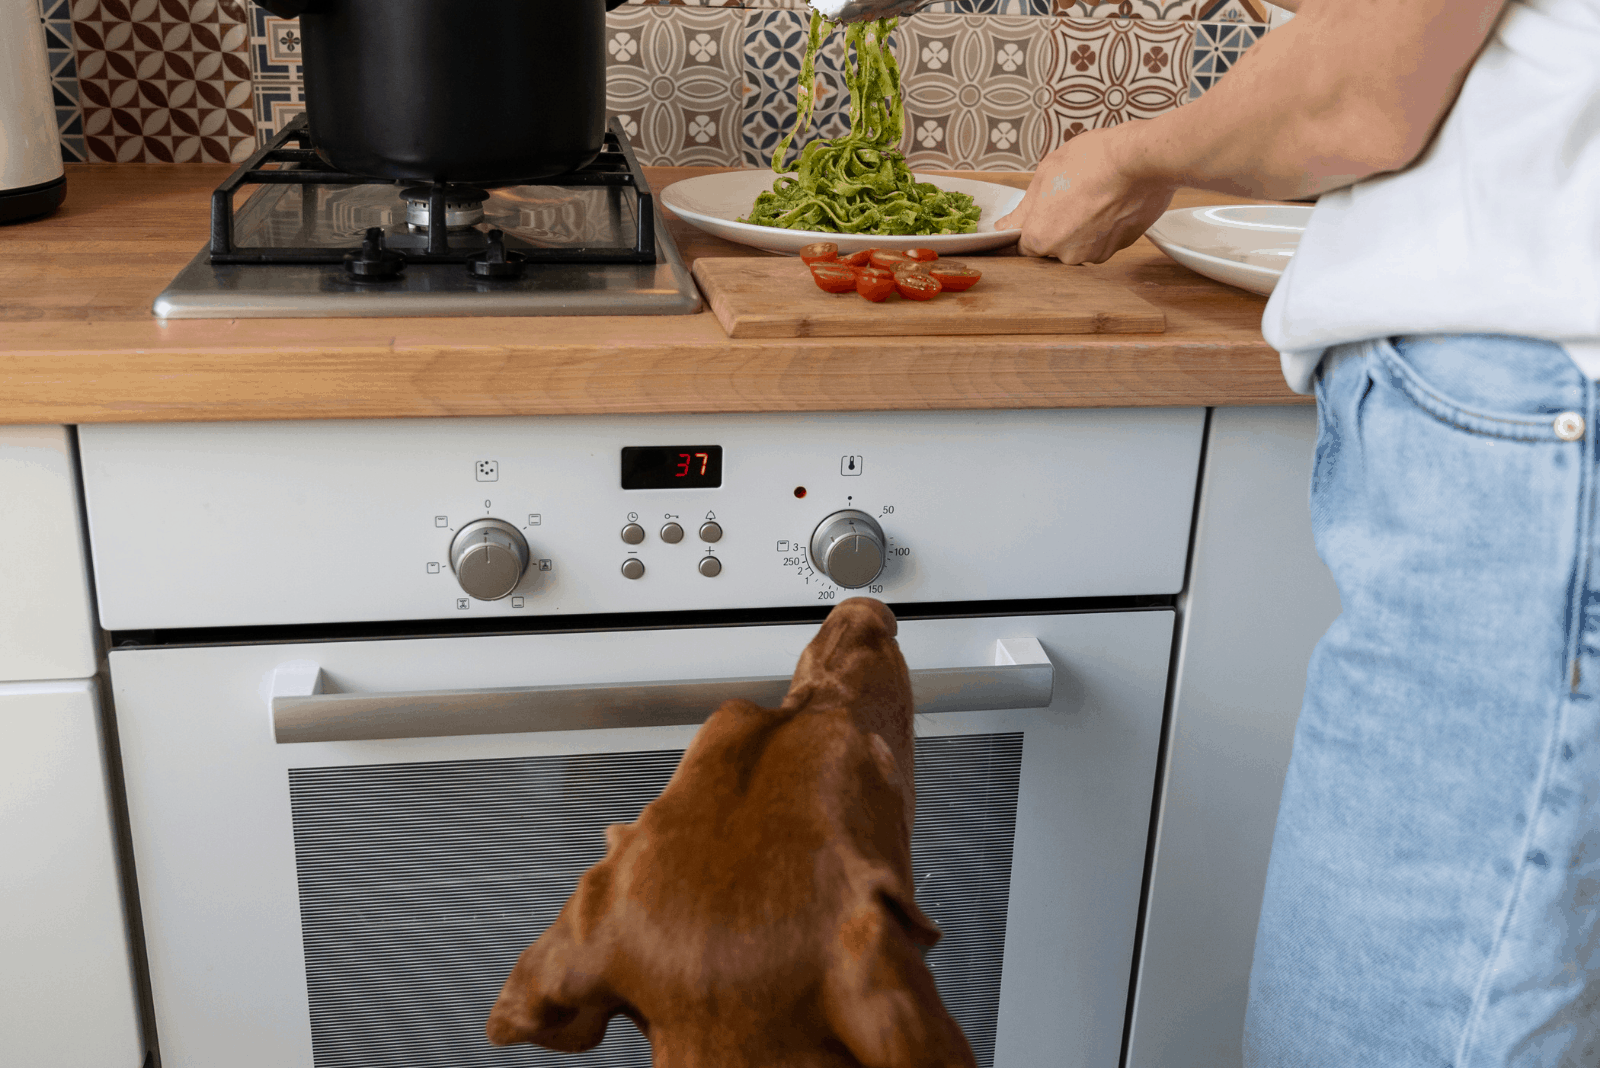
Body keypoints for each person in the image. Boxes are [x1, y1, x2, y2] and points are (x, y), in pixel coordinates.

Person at [998, 0, 1600, 1064]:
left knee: (1383, 1029)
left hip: (1532, 444)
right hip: (1543, 433)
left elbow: (1365, 90)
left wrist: (1136, 155)